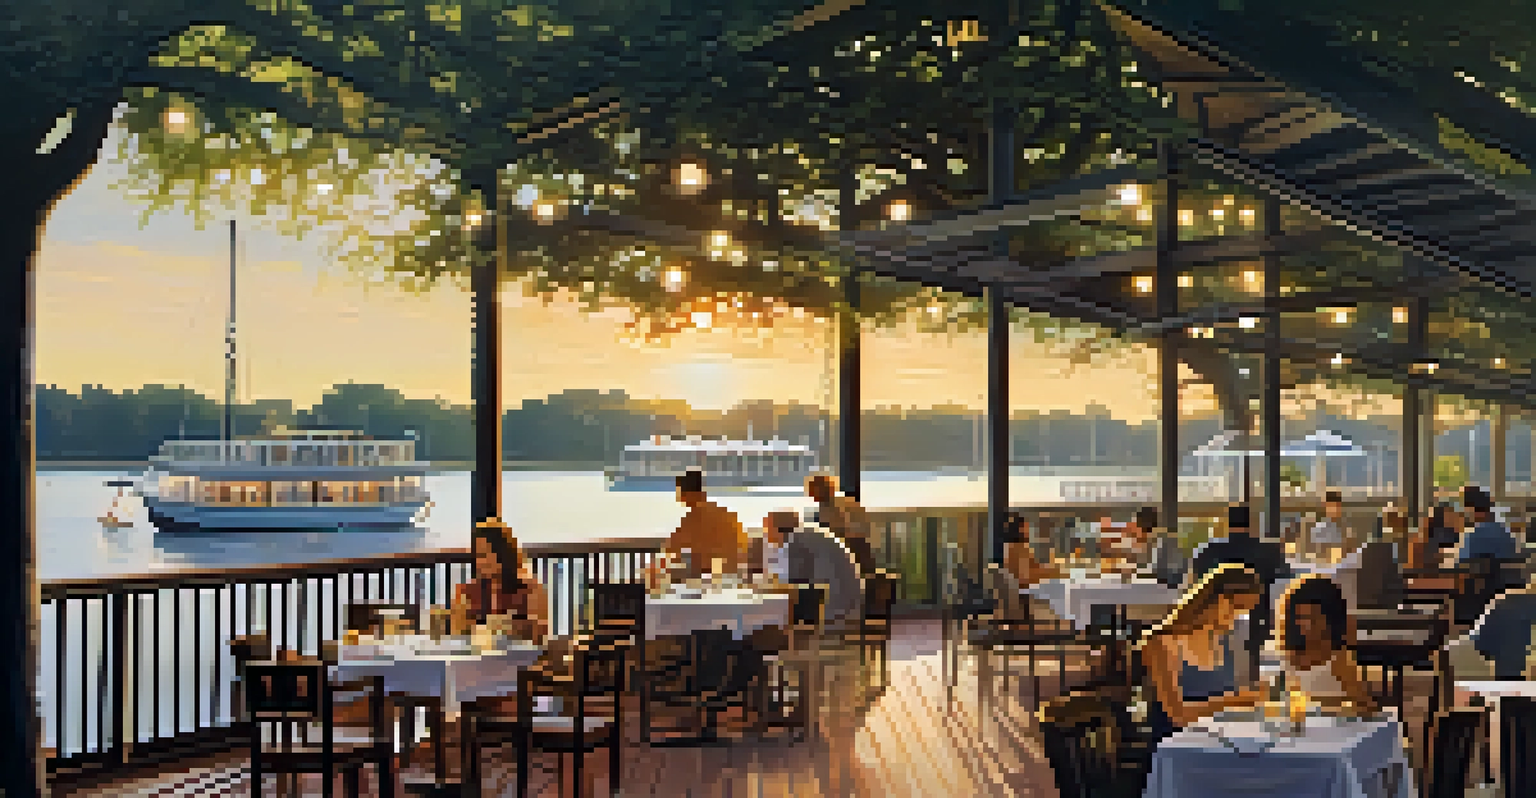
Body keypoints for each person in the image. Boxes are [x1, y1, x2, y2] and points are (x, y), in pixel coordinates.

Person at [1139, 563, 1267, 736]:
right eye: (1238, 608)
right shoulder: (1162, 642)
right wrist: (1234, 701)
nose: (1239, 618)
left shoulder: (1227, 642)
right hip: (1178, 747)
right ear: (1218, 600)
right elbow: (1178, 716)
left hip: (1221, 742)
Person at [1189, 505, 1293, 680]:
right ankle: (1250, 681)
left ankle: (1220, 684)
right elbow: (1285, 580)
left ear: (1227, 524)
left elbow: (1195, 582)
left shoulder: (1208, 551)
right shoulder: (1268, 551)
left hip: (1215, 619)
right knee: (1251, 651)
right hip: (1257, 618)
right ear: (1251, 525)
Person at [1277, 575, 1377, 713]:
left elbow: (1367, 708)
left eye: (1314, 619)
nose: (1307, 625)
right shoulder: (1288, 657)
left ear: (1330, 620)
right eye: (1301, 618)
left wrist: (1336, 706)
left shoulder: (1339, 661)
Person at [451, 519, 549, 643]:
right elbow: (457, 637)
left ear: (503, 553)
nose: (480, 562)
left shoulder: (530, 589)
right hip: (479, 658)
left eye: (485, 554)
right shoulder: (467, 591)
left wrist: (512, 628)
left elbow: (542, 637)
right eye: (478, 555)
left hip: (521, 657)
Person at [661, 468, 749, 581]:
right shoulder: (726, 516)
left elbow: (670, 549)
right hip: (731, 577)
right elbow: (743, 547)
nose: (679, 499)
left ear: (686, 494)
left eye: (680, 494)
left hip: (707, 578)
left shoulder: (691, 521)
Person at [783, 519, 864, 630]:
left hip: (832, 608)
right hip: (853, 604)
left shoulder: (796, 540)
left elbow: (795, 578)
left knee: (780, 611)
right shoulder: (812, 534)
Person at [806, 473, 876, 575]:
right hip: (857, 547)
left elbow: (842, 530)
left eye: (813, 491)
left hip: (853, 548)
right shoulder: (838, 503)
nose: (811, 495)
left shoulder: (835, 505)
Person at [1002, 512, 1062, 588]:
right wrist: (1050, 573)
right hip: (1024, 590)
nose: (1028, 531)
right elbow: (1024, 576)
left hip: (1024, 587)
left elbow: (1033, 566)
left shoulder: (1018, 547)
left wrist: (1048, 569)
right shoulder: (1017, 548)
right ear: (1020, 529)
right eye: (1026, 528)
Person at [1458, 487, 1518, 563]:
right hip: (1507, 574)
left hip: (1482, 573)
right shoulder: (1504, 533)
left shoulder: (1475, 537)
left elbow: (1464, 564)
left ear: (1472, 509)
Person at [1309, 490, 1348, 556]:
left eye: (1338, 506)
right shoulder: (1320, 528)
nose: (1336, 510)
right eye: (1332, 507)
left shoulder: (1341, 528)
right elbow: (1319, 551)